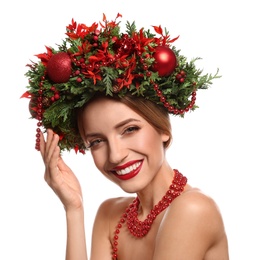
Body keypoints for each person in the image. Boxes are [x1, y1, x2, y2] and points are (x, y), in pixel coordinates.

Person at [22, 13, 229, 259]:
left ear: (163, 129)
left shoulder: (192, 209)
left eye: (130, 129)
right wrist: (73, 209)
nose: (116, 155)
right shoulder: (110, 215)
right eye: (97, 141)